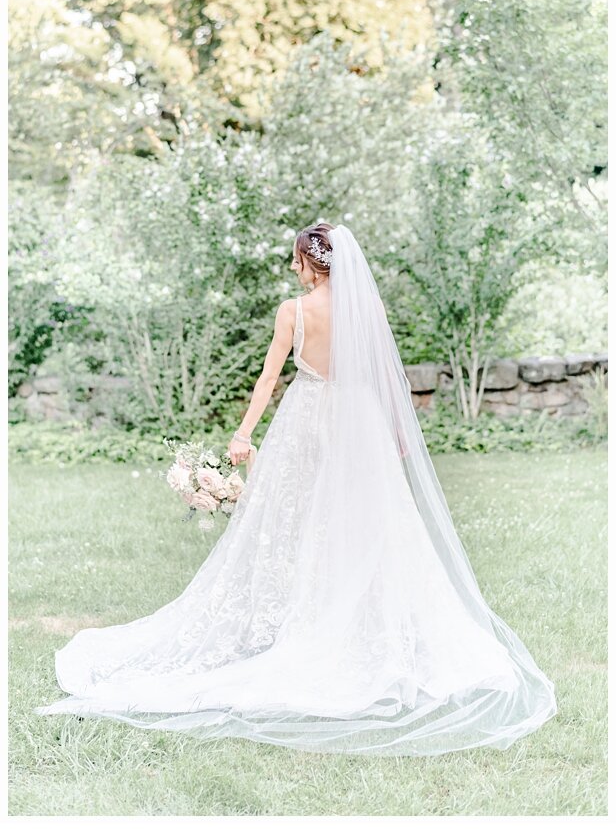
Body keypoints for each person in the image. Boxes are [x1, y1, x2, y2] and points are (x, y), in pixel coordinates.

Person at [34, 222, 557, 757]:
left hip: (307, 420)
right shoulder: (366, 309)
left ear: (312, 262)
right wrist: (398, 432)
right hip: (362, 421)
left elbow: (268, 379)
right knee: (369, 521)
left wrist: (243, 433)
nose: (291, 269)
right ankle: (361, 624)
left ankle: (317, 623)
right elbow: (384, 376)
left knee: (299, 521)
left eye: (295, 260)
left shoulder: (295, 312)